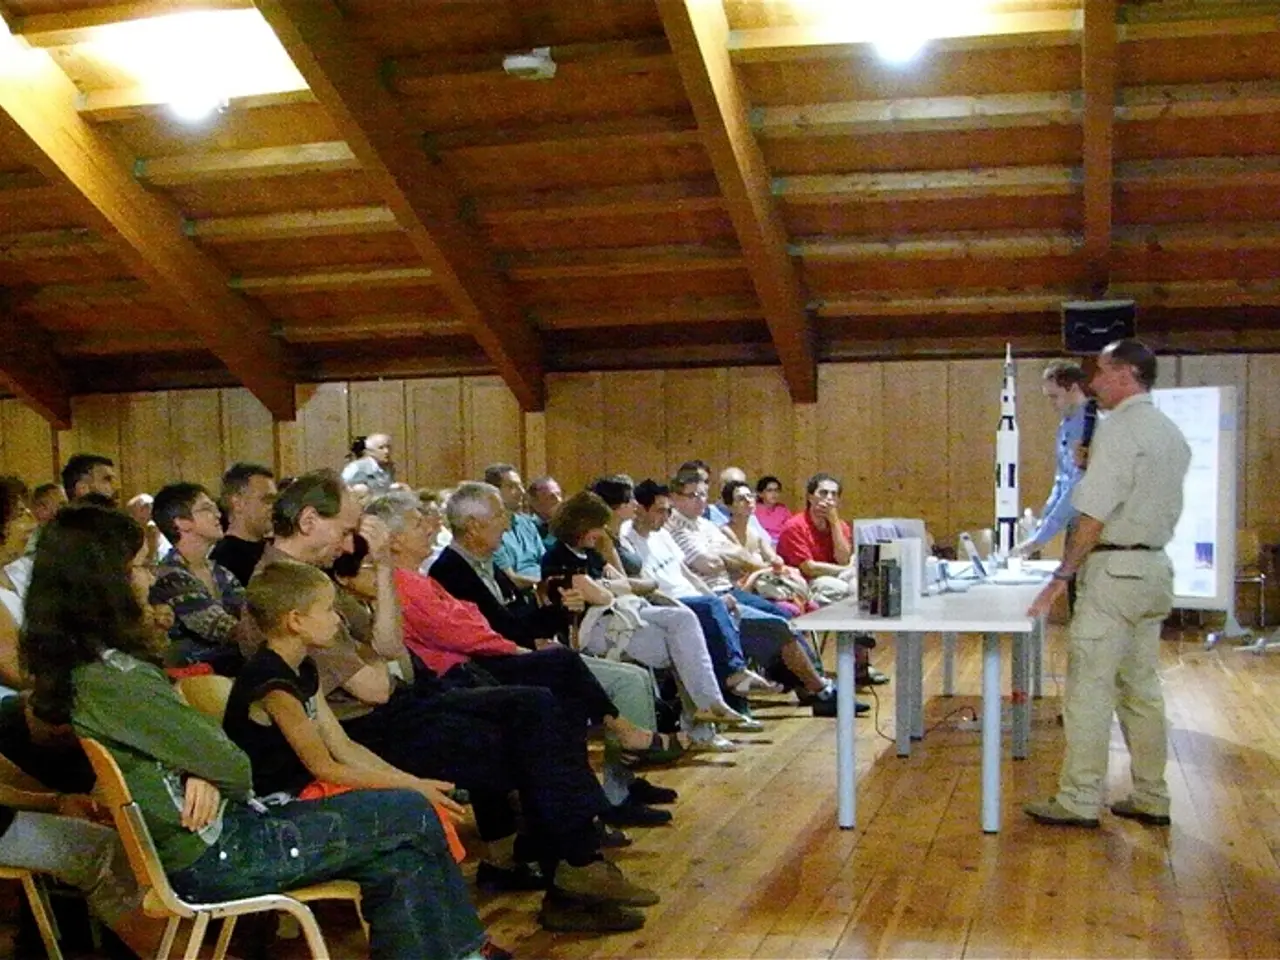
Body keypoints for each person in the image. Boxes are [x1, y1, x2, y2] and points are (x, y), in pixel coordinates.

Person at [19, 504, 494, 959]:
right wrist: (205, 766)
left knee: (400, 857)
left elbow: (198, 751)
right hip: (216, 853)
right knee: (409, 811)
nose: (149, 580)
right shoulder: (117, 679)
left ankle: (461, 953)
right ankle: (466, 952)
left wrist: (198, 769)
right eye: (139, 569)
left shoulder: (94, 672)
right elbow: (233, 764)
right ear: (105, 584)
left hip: (213, 838)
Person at [1024, 339, 1191, 829]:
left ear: (1123, 374)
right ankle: (1151, 794)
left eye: (1099, 372)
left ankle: (1078, 798)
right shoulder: (1168, 433)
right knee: (1141, 689)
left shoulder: (1119, 432)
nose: (1092, 382)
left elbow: (1093, 516)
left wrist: (1061, 576)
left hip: (1113, 573)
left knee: (1089, 689)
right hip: (1153, 569)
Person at [1013, 360, 1089, 558]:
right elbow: (1061, 479)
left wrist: (1043, 536)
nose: (1052, 404)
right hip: (1074, 525)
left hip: (1091, 525)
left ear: (1073, 388)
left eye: (1055, 396)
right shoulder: (1066, 426)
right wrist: (1042, 522)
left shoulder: (1090, 424)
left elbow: (1077, 486)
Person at [210, 462, 277, 588]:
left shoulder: (274, 548)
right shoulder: (223, 561)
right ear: (238, 503)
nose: (273, 507)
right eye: (267, 500)